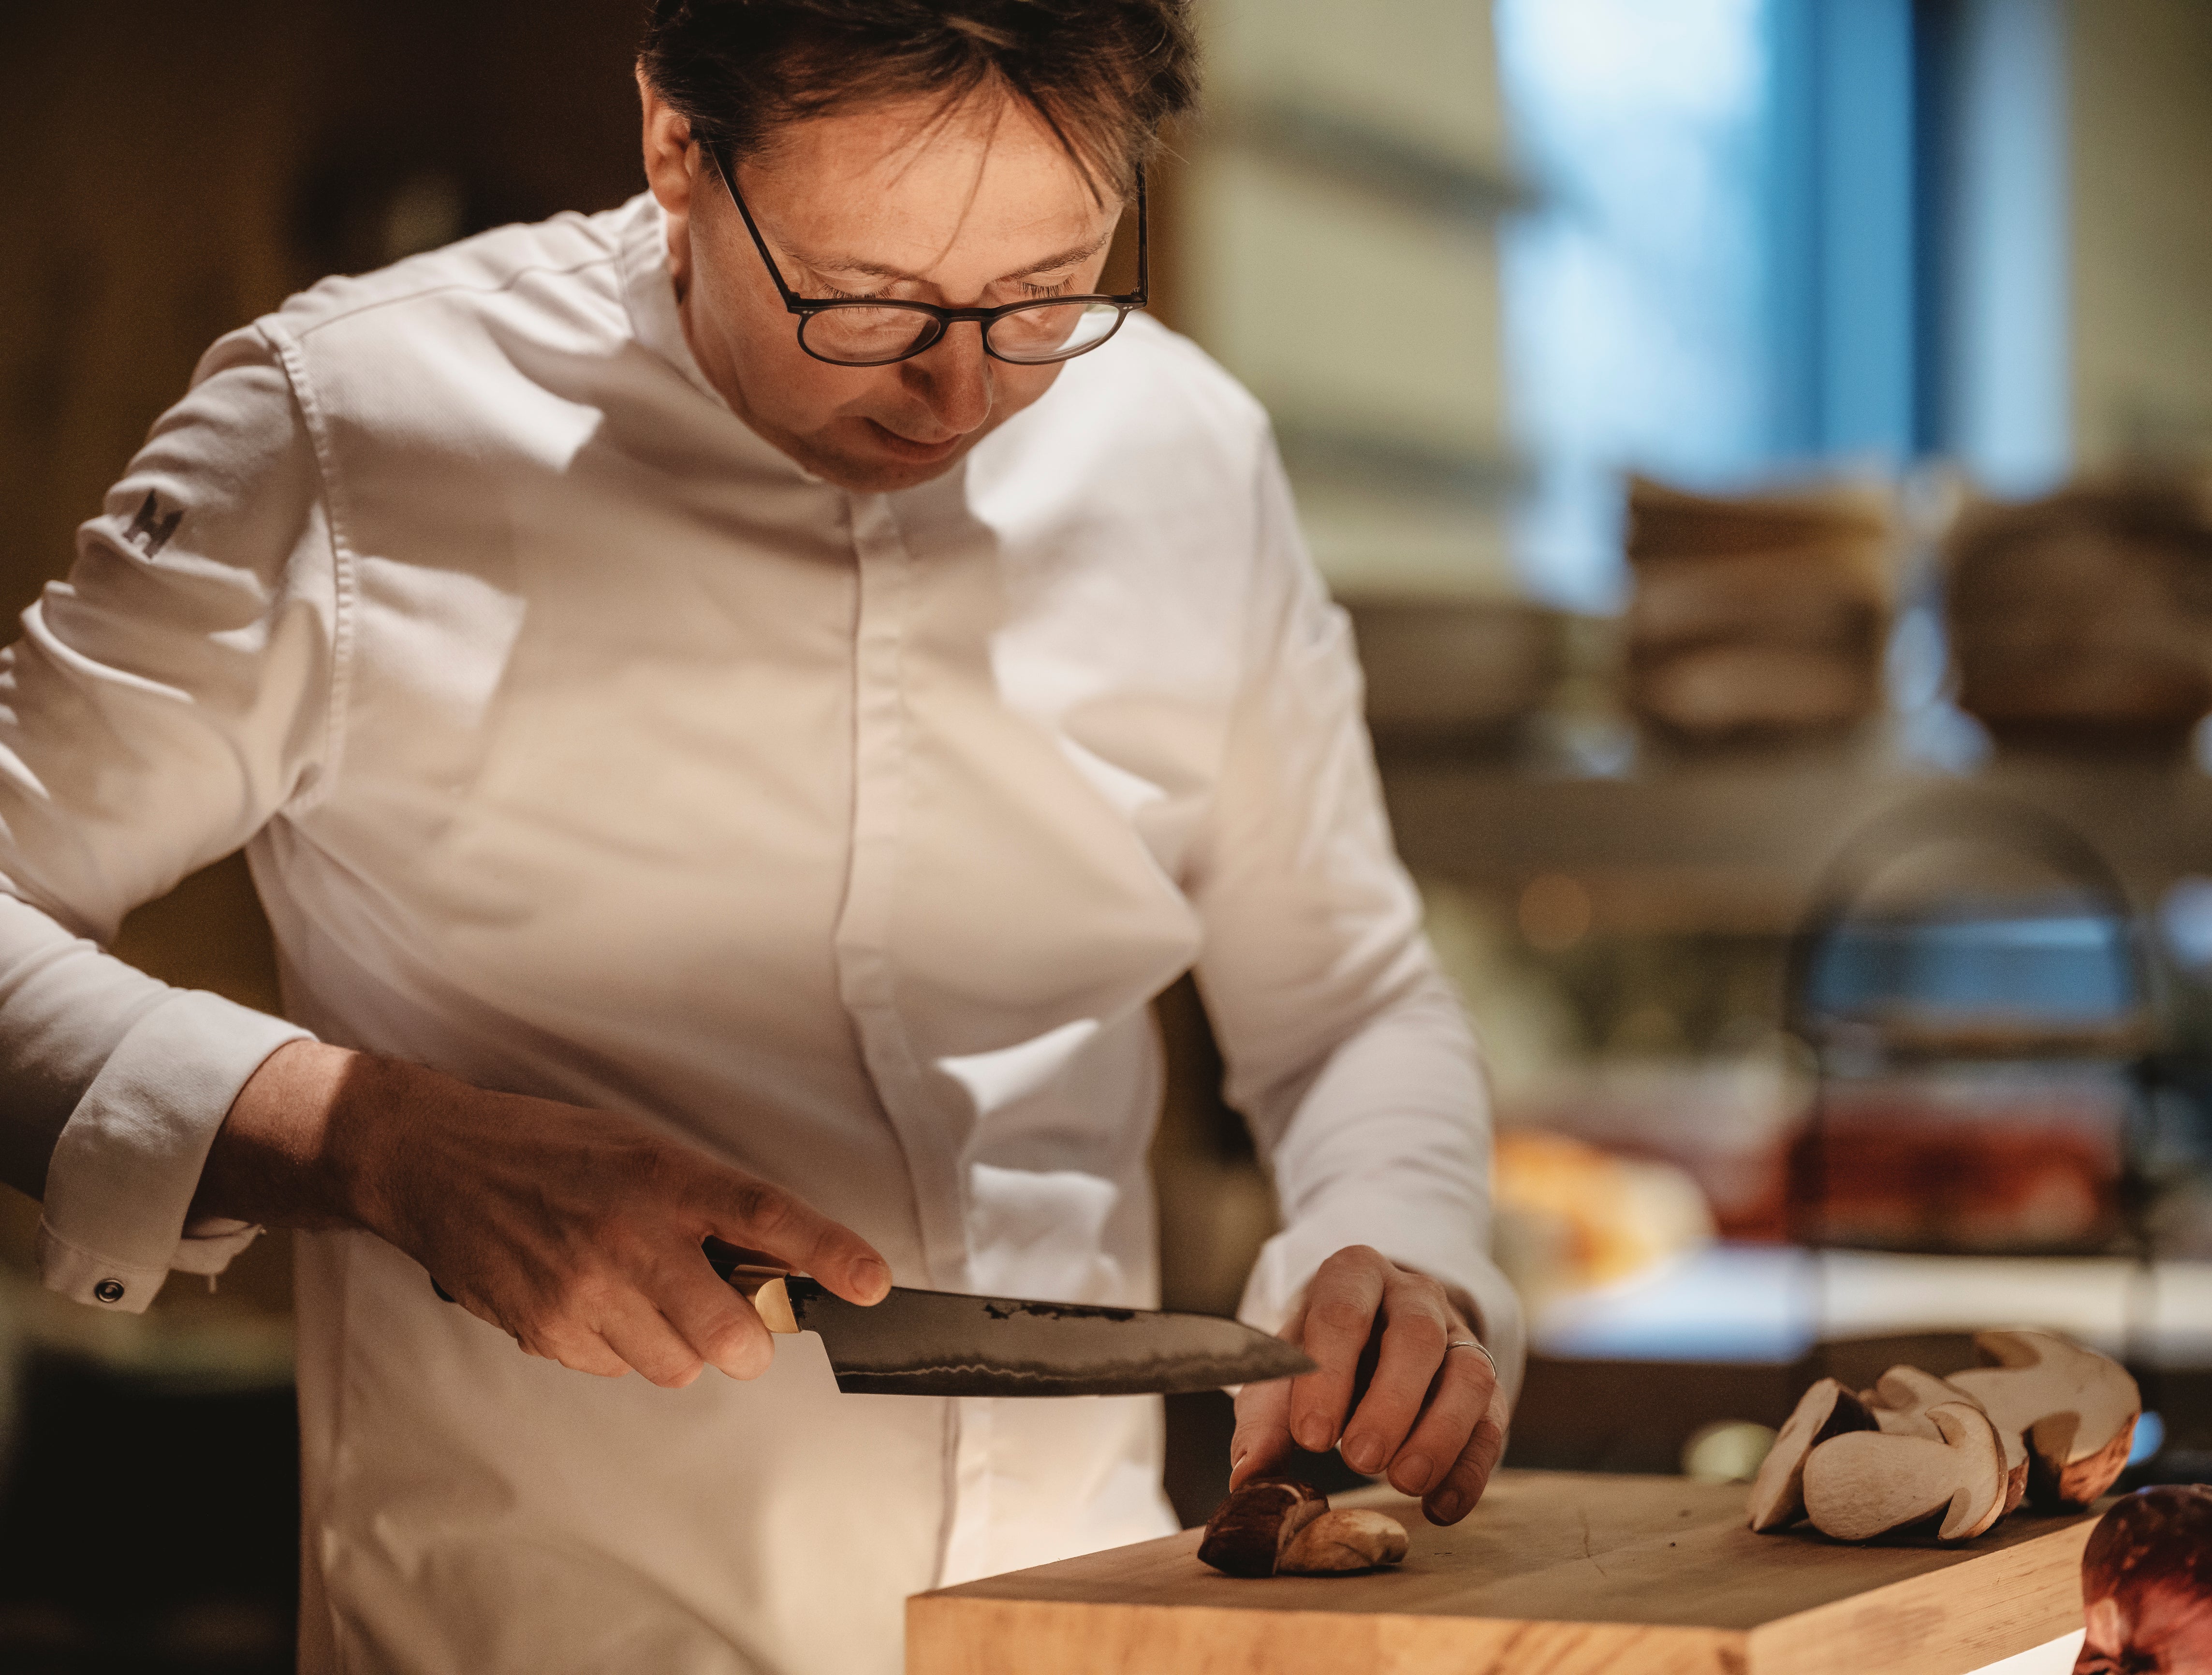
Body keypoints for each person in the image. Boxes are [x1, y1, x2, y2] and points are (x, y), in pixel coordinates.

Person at [0, 2, 1521, 1669]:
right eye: (865, 300)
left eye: (1043, 289)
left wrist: (1405, 1248)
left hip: (1081, 1630)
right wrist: (380, 1140)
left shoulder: (1187, 454)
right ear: (674, 148)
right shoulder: (349, 436)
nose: (961, 385)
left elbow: (1347, 1004)